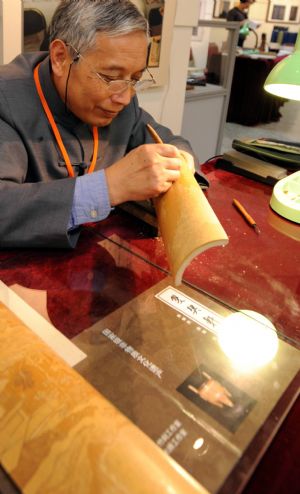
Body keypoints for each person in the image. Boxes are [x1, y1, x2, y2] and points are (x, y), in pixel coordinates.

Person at [0, 0, 207, 249]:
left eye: (136, 78)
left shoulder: (122, 98)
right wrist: (108, 187)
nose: (125, 97)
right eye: (110, 77)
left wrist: (180, 162)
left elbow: (167, 140)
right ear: (60, 57)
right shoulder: (6, 99)